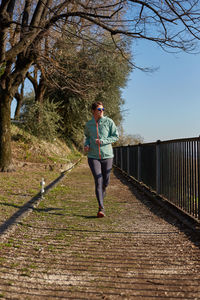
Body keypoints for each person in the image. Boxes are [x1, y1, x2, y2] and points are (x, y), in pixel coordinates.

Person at [84, 101, 119, 218]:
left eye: (102, 109)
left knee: (105, 182)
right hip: (93, 157)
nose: (102, 111)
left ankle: (102, 193)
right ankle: (101, 207)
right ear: (93, 111)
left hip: (107, 156)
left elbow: (115, 136)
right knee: (98, 181)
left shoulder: (109, 122)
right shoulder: (89, 125)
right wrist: (87, 144)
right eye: (99, 109)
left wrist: (103, 141)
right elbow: (87, 137)